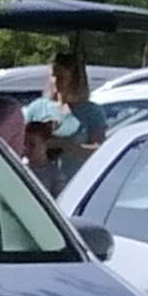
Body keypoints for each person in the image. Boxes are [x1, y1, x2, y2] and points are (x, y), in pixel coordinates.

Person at [22, 51, 106, 182]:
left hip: (76, 183)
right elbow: (20, 145)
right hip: (40, 184)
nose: (55, 81)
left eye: (62, 77)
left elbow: (99, 151)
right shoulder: (37, 108)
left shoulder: (92, 112)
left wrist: (64, 145)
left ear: (75, 79)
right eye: (53, 76)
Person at [22, 120, 65, 195]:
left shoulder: (55, 176)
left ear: (46, 145)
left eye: (32, 145)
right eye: (25, 143)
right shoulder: (19, 163)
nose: (26, 148)